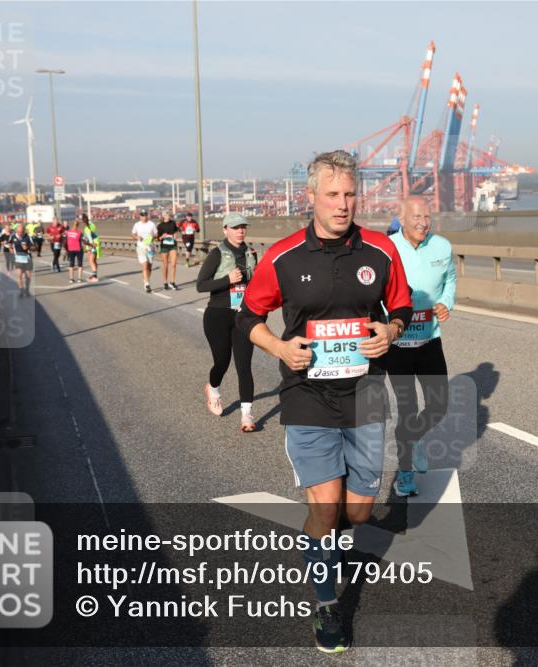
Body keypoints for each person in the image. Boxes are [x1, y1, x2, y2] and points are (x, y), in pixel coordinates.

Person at [237, 150, 412, 654]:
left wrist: (390, 330)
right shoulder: (282, 257)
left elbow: (400, 305)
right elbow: (248, 318)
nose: (343, 204)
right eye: (332, 194)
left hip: (364, 393)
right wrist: (279, 347)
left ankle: (331, 531)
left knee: (357, 515)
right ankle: (326, 603)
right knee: (326, 505)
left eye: (350, 194)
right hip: (306, 394)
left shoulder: (380, 250)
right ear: (309, 196)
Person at [386, 196, 456, 497]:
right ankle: (404, 475)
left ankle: (412, 440)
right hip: (398, 345)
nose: (422, 222)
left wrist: (445, 302)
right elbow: (376, 288)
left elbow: (450, 280)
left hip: (429, 340)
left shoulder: (442, 246)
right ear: (400, 218)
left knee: (439, 406)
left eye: (427, 216)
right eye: (415, 216)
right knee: (407, 409)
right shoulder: (388, 248)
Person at [197, 213, 258, 431]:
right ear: (225, 230)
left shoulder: (251, 253)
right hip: (217, 315)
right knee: (222, 362)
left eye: (243, 227)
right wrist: (227, 280)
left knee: (244, 366)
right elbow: (201, 285)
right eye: (235, 227)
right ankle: (213, 389)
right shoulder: (217, 254)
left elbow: (256, 284)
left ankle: (247, 416)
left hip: (243, 316)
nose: (240, 231)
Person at [131, 210, 157, 293]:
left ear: (147, 216)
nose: (143, 217)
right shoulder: (137, 225)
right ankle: (147, 284)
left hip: (150, 247)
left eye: (145, 215)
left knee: (149, 266)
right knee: (145, 265)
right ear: (140, 216)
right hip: (141, 247)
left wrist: (152, 238)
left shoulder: (152, 224)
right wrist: (137, 237)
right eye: (142, 215)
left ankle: (147, 280)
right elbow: (132, 234)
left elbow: (156, 234)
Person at [156, 212, 180, 290]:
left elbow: (176, 231)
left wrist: (175, 236)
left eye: (169, 215)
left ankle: (172, 282)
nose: (169, 216)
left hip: (173, 245)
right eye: (167, 215)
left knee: (173, 264)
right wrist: (162, 236)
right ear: (163, 216)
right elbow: (158, 238)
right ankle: (165, 282)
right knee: (165, 265)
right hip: (164, 246)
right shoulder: (160, 226)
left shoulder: (173, 223)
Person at [9, 223, 34, 297]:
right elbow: (9, 244)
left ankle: (27, 290)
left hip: (27, 258)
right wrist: (10, 249)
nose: (20, 234)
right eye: (18, 232)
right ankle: (21, 291)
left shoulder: (28, 237)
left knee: (28, 276)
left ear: (24, 231)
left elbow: (35, 247)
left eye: (21, 232)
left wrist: (28, 247)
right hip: (18, 258)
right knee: (19, 275)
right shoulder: (12, 236)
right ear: (16, 231)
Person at [81, 214, 101, 282]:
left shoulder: (86, 229)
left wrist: (88, 245)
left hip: (93, 245)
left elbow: (90, 239)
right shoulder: (92, 224)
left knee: (91, 260)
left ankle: (95, 277)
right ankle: (94, 275)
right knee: (94, 260)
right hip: (97, 242)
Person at [64, 219, 84, 284]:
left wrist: (66, 250)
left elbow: (65, 242)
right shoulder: (80, 233)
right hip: (78, 249)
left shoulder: (68, 232)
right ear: (78, 225)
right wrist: (90, 245)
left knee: (71, 264)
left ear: (73, 224)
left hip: (70, 249)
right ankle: (79, 279)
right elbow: (84, 241)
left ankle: (71, 279)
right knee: (80, 264)